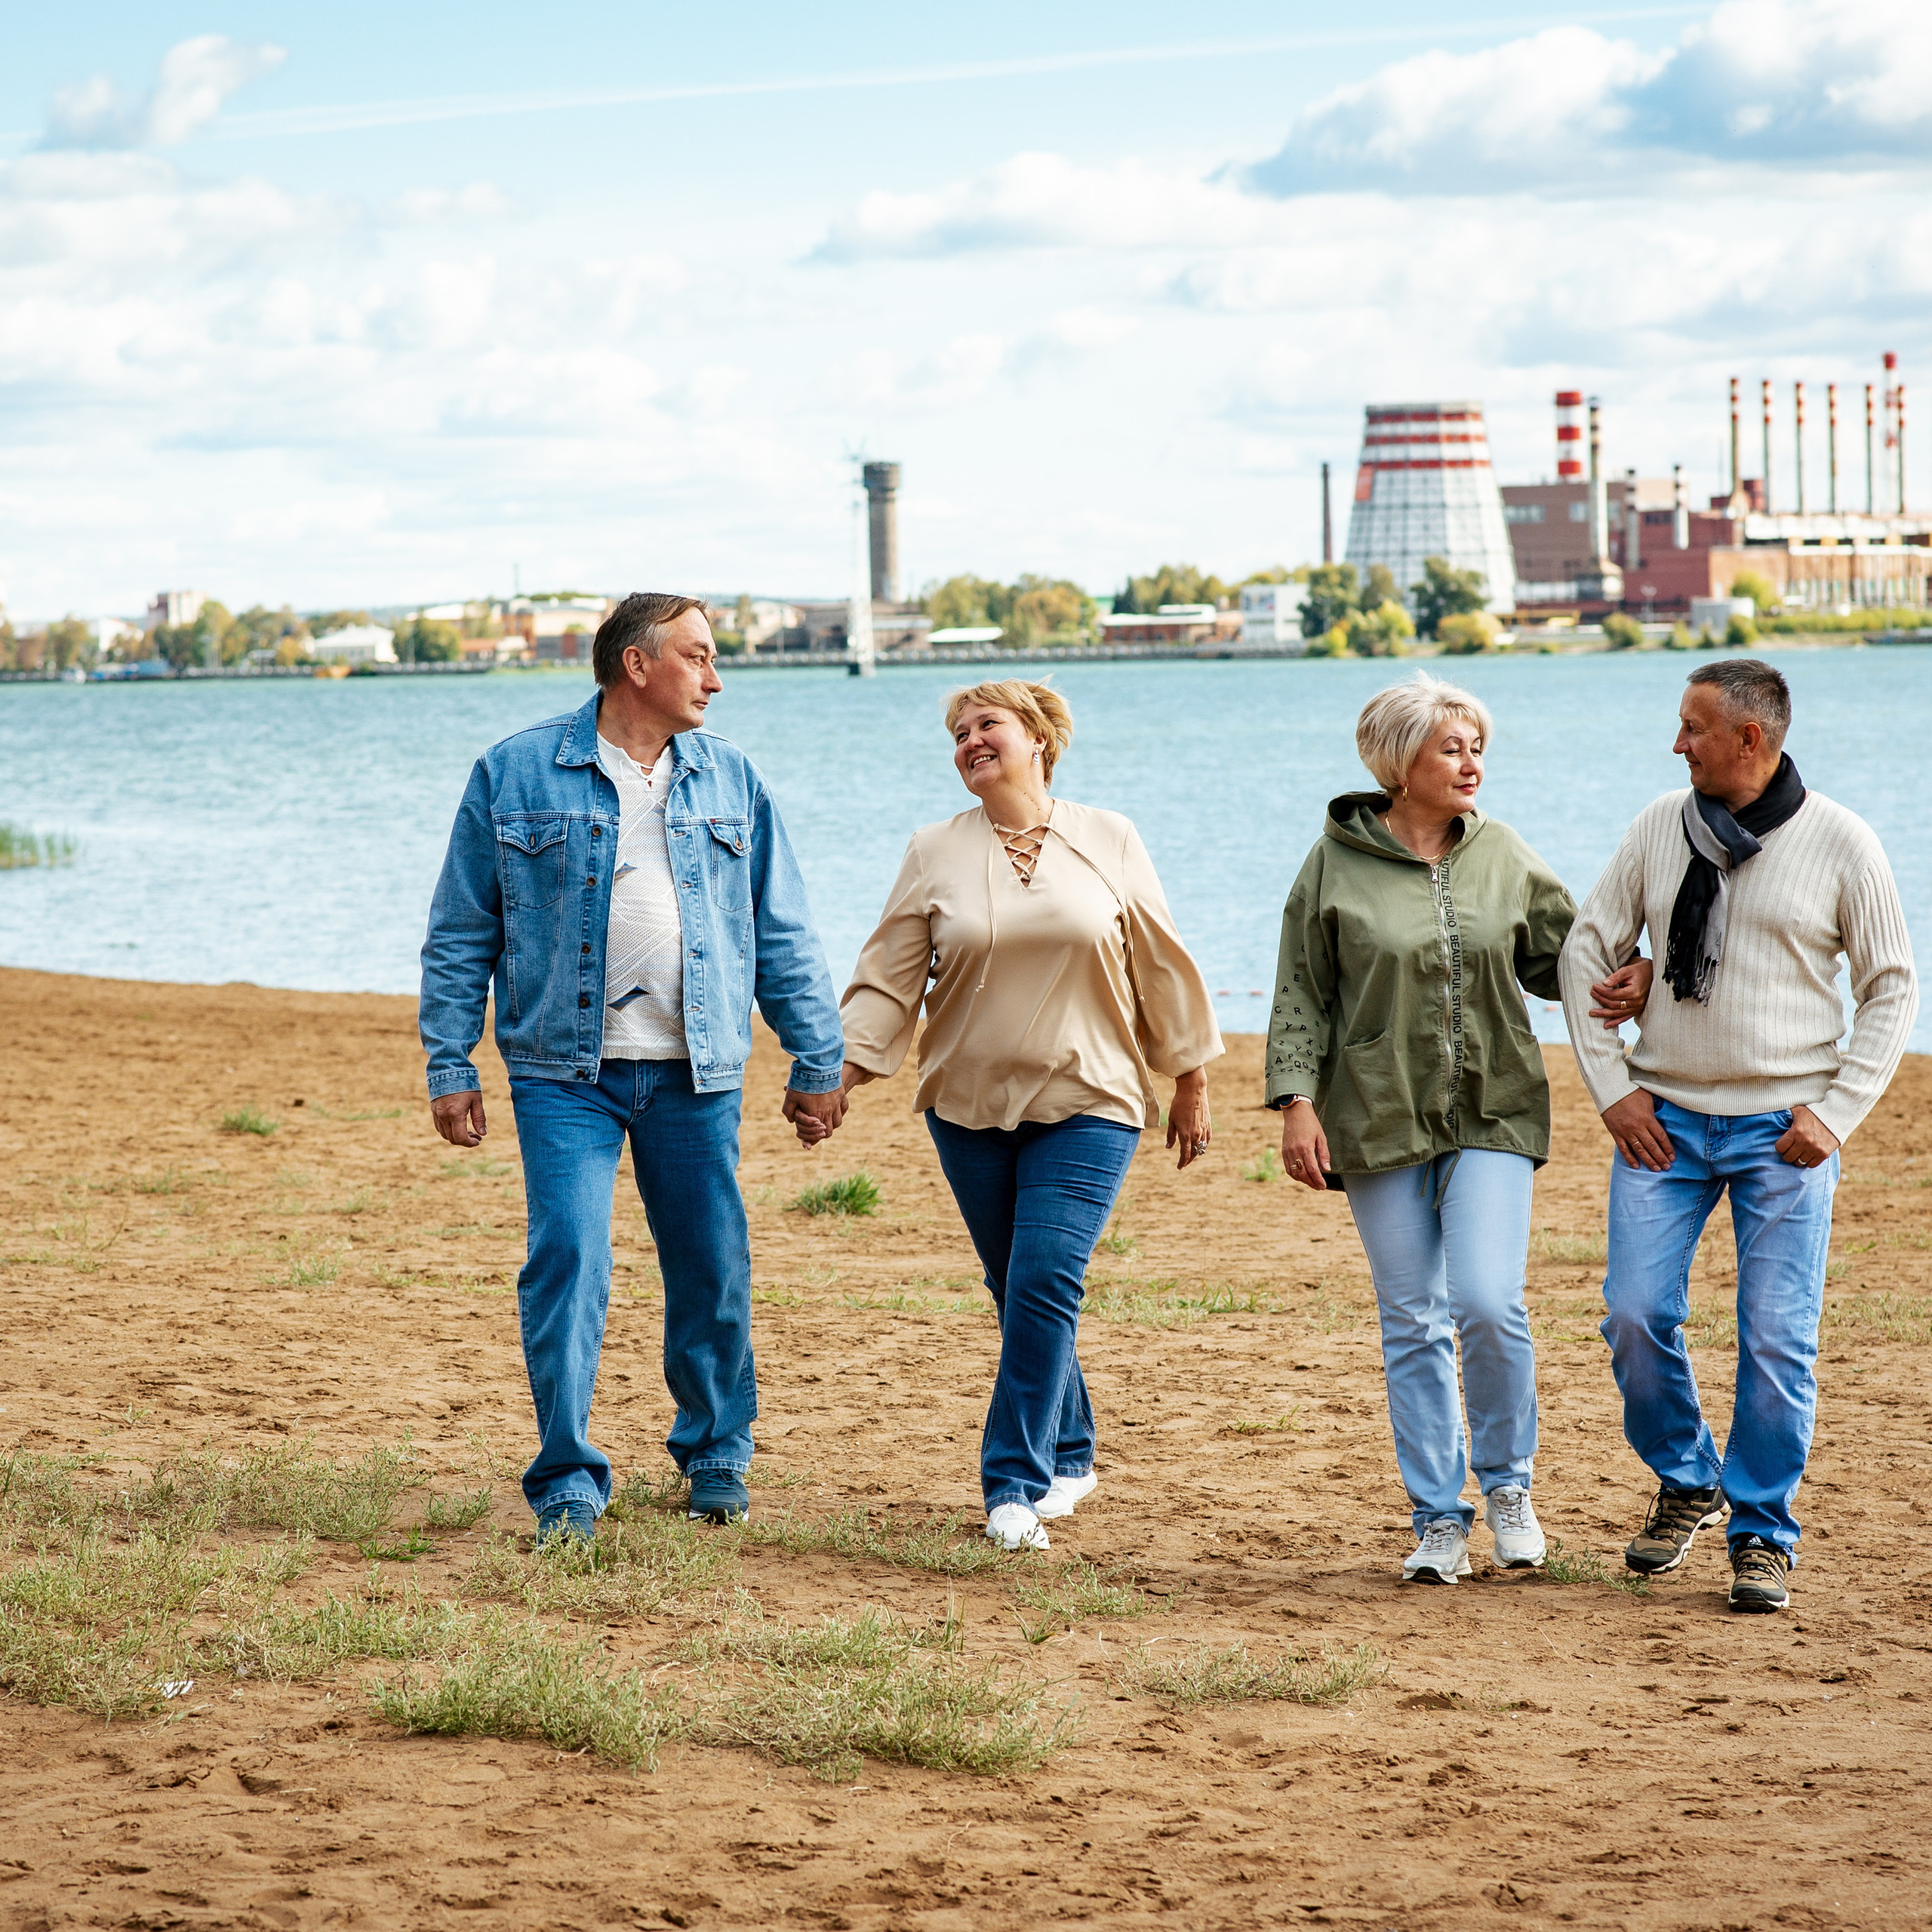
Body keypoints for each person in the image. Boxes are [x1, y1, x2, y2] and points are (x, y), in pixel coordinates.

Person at [419, 592, 847, 1543]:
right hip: (561, 1069)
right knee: (567, 1257)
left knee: (711, 1264)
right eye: (698, 655)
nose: (716, 675)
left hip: (698, 1068)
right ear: (637, 666)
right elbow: (460, 931)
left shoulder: (733, 777)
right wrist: (450, 1060)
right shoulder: (515, 770)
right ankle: (568, 1476)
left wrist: (818, 1055)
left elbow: (781, 930)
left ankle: (715, 1452)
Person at [1269, 671, 1649, 1586]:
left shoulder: (1504, 852)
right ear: (1400, 761)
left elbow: (1566, 959)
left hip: (1493, 1103)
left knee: (1486, 1300)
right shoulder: (1331, 863)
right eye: (1452, 747)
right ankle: (1439, 1518)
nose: (1472, 762)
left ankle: (1509, 1487)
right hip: (1373, 1109)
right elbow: (1301, 994)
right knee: (1410, 1319)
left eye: (1477, 746)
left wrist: (1630, 977)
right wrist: (1294, 1100)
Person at [1559, 657, 1915, 1613]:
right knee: (1633, 1315)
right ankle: (1686, 1477)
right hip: (1663, 1121)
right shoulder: (1655, 828)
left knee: (1775, 1342)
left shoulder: (1842, 841)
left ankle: (1761, 1533)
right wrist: (1612, 1092)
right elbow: (1585, 950)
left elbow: (1891, 988)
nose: (1675, 743)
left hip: (1783, 1131)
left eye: (1691, 727)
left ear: (1749, 740)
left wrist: (1833, 1114)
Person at [835, 679, 1222, 1552]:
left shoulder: (1108, 835)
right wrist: (840, 1076)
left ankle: (1013, 1483)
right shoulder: (934, 849)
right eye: (958, 733)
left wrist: (1190, 1078)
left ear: (1038, 737)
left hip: (1092, 1098)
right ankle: (1074, 1448)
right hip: (966, 1106)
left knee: (1045, 1278)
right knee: (1016, 1290)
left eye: (987, 725)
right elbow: (889, 975)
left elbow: (1161, 959)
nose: (970, 740)